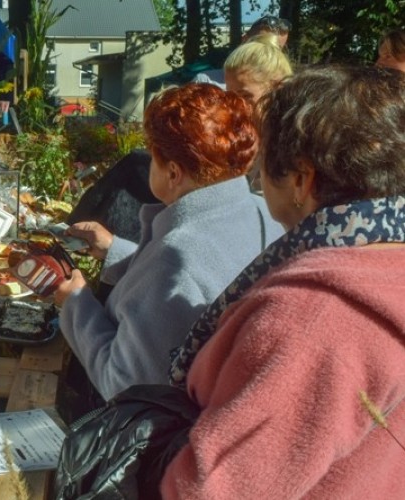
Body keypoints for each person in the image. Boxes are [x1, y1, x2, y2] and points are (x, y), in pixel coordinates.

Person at [162, 64, 405, 498]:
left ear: (300, 178)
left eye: (262, 163)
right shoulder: (385, 264)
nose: (255, 178)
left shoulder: (313, 316)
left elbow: (213, 489)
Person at [53, 83, 285, 402]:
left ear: (173, 173)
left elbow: (123, 384)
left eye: (152, 156)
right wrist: (114, 250)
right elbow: (190, 284)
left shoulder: (174, 257)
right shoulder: (263, 213)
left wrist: (74, 302)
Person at [223, 32, 293, 191]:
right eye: (230, 96)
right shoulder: (236, 139)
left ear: (277, 89)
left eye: (246, 96)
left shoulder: (294, 148)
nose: (235, 106)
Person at [191, 15, 292, 89]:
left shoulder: (282, 89)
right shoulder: (206, 83)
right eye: (259, 45)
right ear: (244, 40)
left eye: (276, 49)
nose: (266, 54)